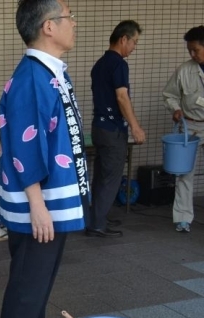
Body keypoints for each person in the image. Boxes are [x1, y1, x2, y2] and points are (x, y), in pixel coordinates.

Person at [0, 0, 84, 318]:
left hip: (50, 198)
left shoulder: (48, 72)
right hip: (40, 200)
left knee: (40, 276)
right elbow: (24, 144)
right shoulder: (33, 76)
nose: (73, 23)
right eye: (68, 16)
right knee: (28, 279)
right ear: (49, 26)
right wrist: (37, 204)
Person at [87, 20, 145, 238]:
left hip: (98, 128)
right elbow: (122, 97)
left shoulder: (100, 63)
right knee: (110, 178)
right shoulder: (119, 64)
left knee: (102, 175)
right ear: (124, 39)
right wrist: (135, 127)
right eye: (134, 42)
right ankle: (97, 225)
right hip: (112, 130)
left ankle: (97, 218)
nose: (134, 47)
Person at [163, 25, 204, 233]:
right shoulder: (184, 70)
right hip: (191, 127)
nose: (192, 54)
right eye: (190, 50)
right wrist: (176, 108)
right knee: (185, 174)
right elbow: (169, 94)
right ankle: (183, 218)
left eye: (196, 50)